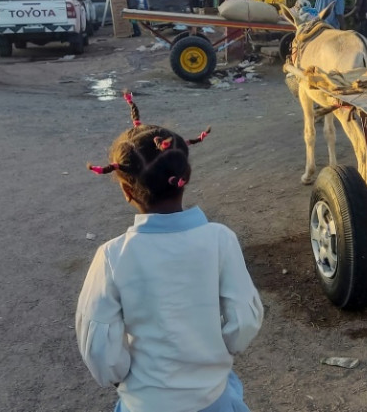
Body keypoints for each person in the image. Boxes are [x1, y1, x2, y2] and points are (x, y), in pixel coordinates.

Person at [77, 92, 263, 412]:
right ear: (184, 179)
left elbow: (100, 349)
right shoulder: (220, 240)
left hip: (145, 403)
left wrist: (127, 376)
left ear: (125, 190)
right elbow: (242, 322)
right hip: (213, 398)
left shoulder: (112, 257)